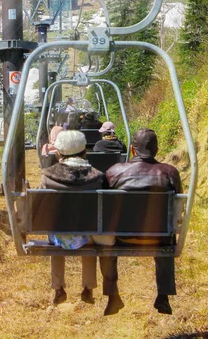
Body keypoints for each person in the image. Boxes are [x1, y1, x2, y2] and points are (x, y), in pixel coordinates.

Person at [40, 130, 123, 313]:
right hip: (87, 234)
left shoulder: (47, 176)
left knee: (57, 231)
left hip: (60, 236)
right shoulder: (97, 177)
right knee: (89, 231)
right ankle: (88, 287)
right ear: (85, 152)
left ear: (58, 153)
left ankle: (59, 287)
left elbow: (42, 207)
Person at [105, 128, 183, 315]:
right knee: (166, 229)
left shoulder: (115, 171)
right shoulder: (170, 172)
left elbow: (105, 207)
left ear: (132, 149)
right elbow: (179, 206)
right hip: (159, 238)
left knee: (105, 239)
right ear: (157, 150)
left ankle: (112, 295)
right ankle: (163, 296)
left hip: (122, 238)